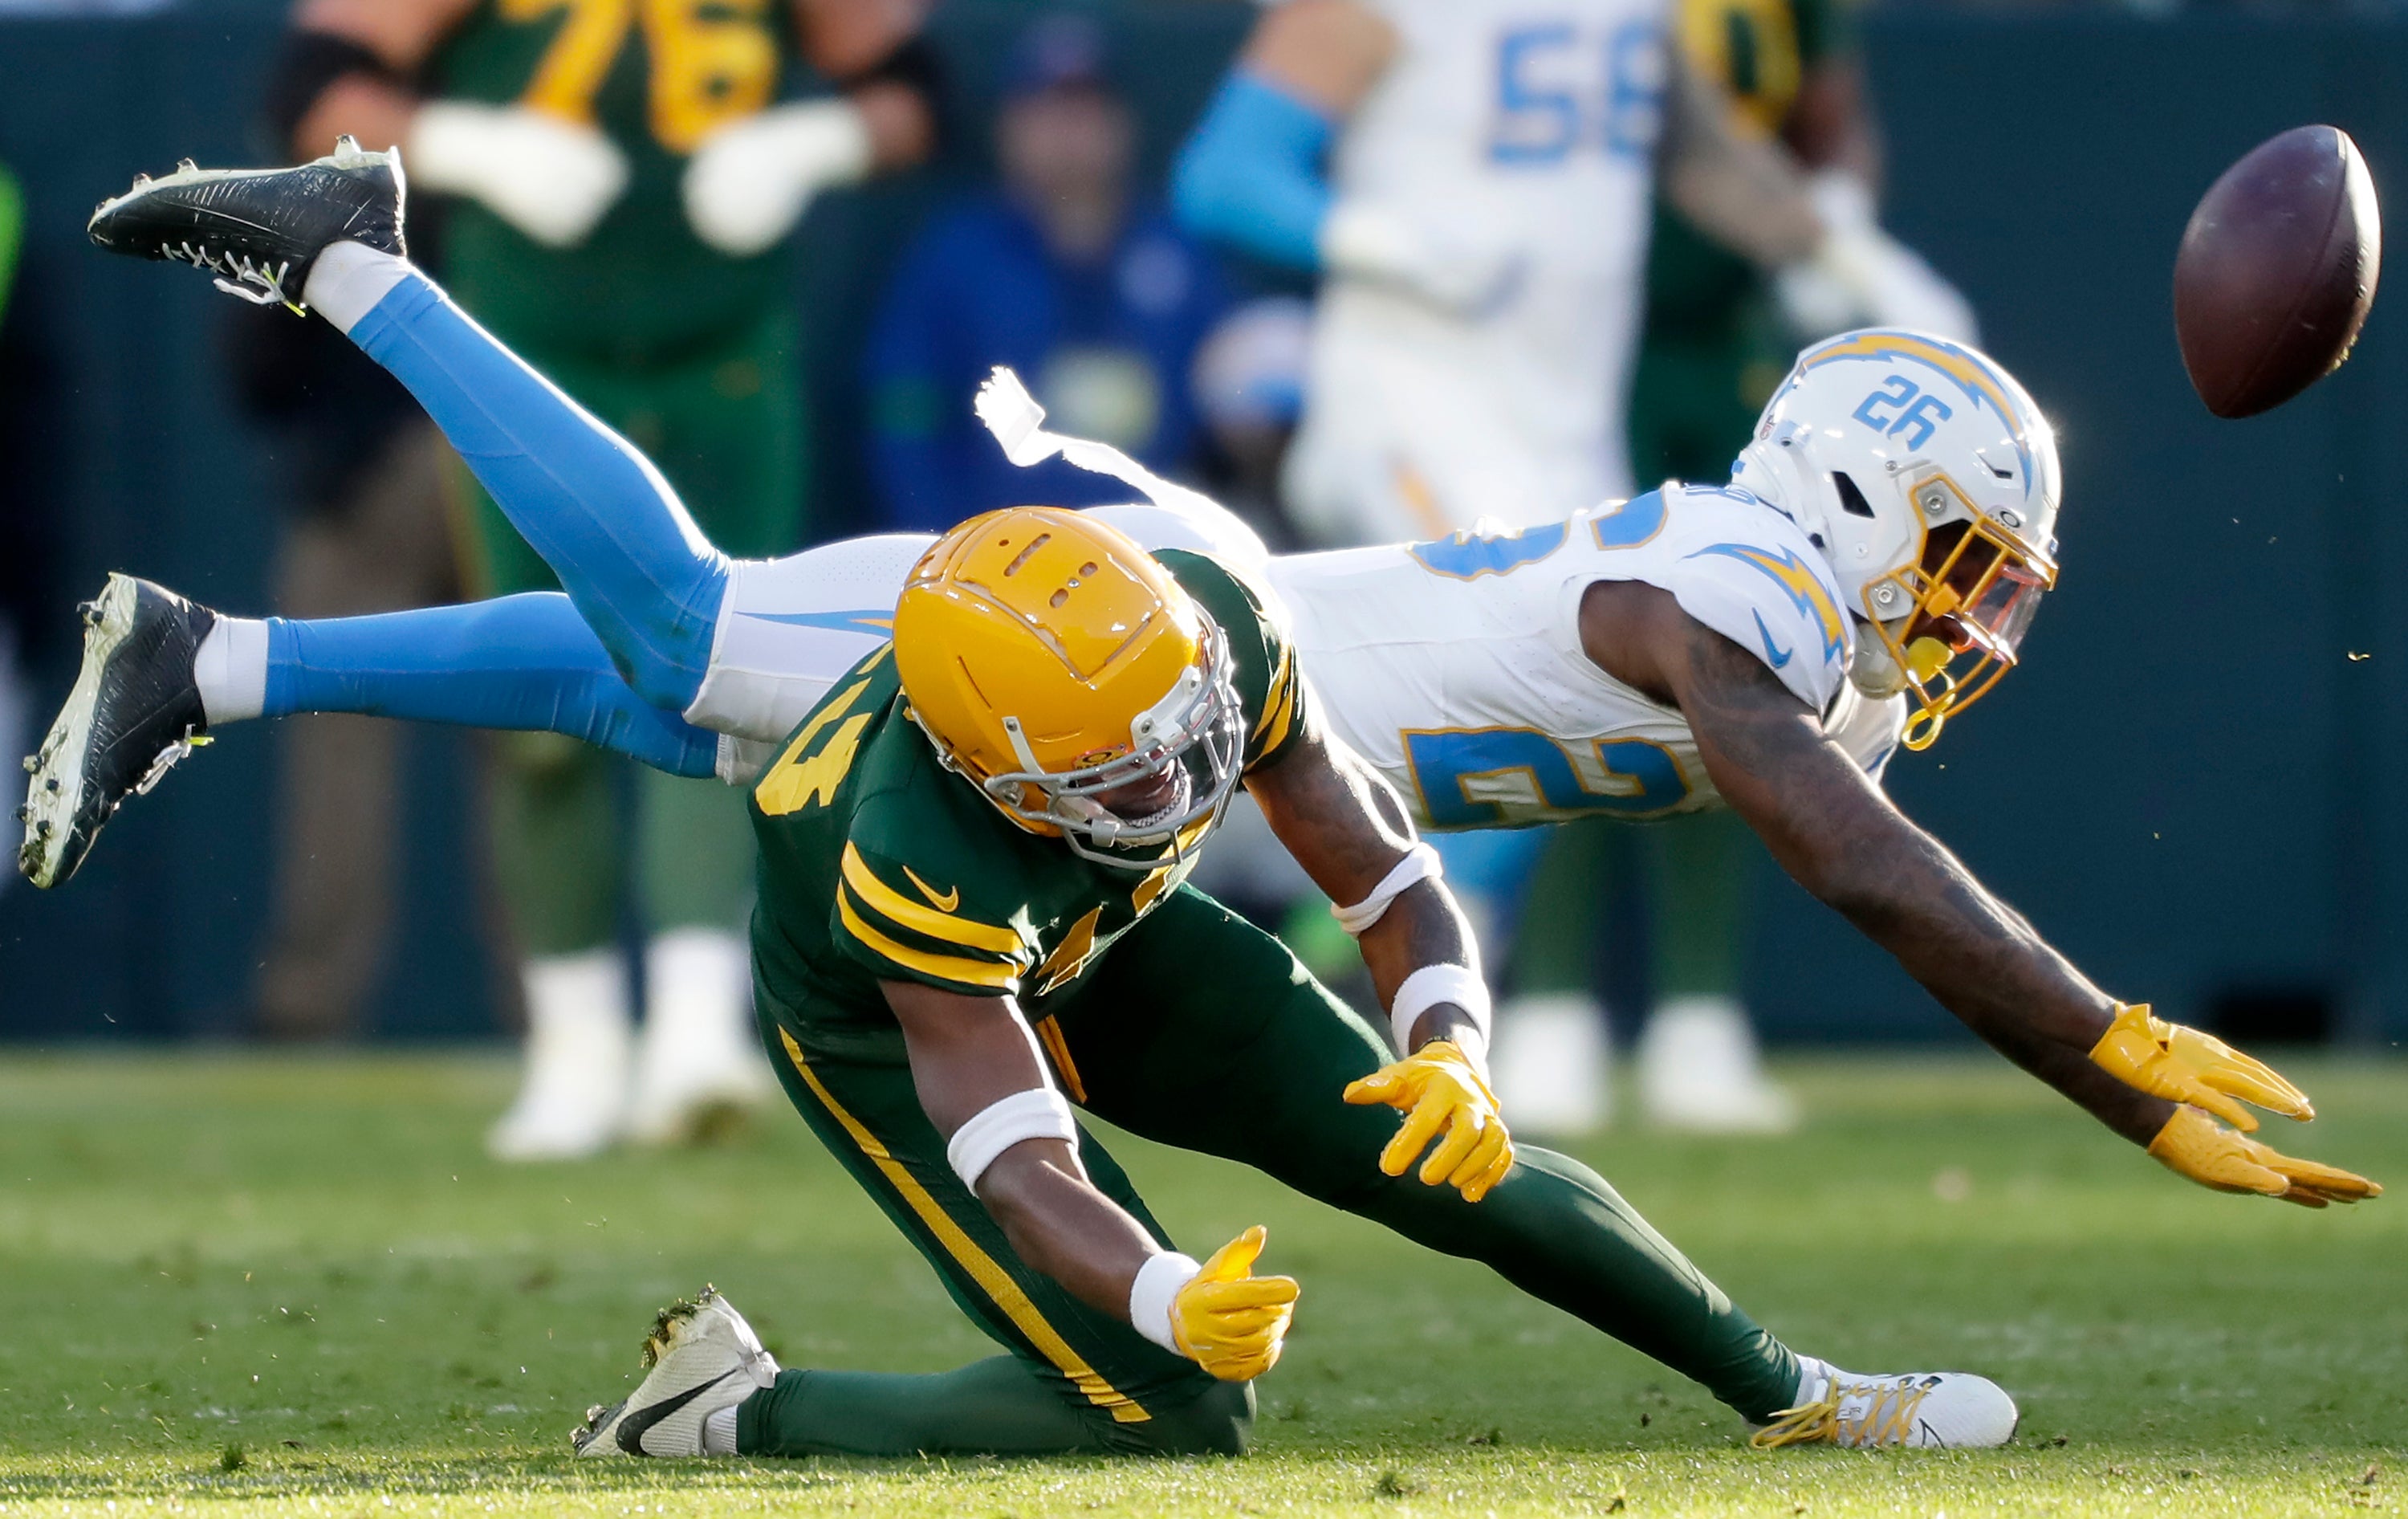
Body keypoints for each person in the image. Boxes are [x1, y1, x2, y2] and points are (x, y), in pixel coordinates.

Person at [48, 147, 2072, 1460]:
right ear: (996, 762)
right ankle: (359, 276)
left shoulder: (1197, 643)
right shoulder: (932, 833)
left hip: (1079, 906)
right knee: (674, 643)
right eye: (1104, 772)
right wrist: (1160, 1281)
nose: (1168, 780)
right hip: (895, 989)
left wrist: (1445, 1031)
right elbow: (1009, 1129)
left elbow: (1378, 865)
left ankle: (1794, 1392)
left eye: (1177, 739)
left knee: (680, 681)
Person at [1168, 0, 1979, 1131]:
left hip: (1558, 433)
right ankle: (1292, 985)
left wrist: (1854, 255)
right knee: (1491, 711)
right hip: (1413, 409)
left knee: (1522, 738)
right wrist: (1387, 244)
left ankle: (1345, 995)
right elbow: (1226, 173)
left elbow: (1695, 153)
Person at [262, 0, 941, 1155]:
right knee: (543, 700)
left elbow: (917, 95)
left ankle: (694, 1028)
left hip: (723, 351)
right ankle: (573, 1046)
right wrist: (467, 143)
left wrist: (811, 144)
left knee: (733, 675)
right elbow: (316, 90)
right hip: (532, 346)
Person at [865, 14, 1230, 531]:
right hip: (996, 558)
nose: (1067, 133)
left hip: (1157, 556)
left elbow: (1226, 416)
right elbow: (903, 413)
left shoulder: (1178, 254)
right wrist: (939, 542)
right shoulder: (956, 256)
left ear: (1122, 124)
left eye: (1086, 111)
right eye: (1047, 112)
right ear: (1006, 129)